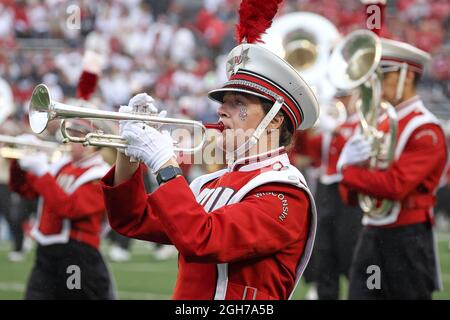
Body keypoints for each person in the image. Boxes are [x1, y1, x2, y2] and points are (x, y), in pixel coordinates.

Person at [101, 31, 321, 299]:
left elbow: (204, 240)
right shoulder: (209, 183)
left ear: (274, 120)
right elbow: (132, 219)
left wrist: (164, 163)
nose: (221, 110)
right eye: (223, 102)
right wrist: (129, 150)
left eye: (237, 102)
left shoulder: (285, 193)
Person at [337, 38, 447, 299]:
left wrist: (348, 171)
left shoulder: (425, 128)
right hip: (372, 232)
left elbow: (395, 187)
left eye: (382, 76)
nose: (373, 84)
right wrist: (350, 167)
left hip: (406, 237)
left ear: (406, 77)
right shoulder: (380, 123)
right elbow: (351, 196)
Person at [9, 122, 115, 300]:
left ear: (92, 142)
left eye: (75, 135)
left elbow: (69, 208)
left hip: (77, 256)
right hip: (46, 253)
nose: (68, 139)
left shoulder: (101, 175)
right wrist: (19, 161)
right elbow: (24, 189)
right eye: (69, 133)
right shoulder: (63, 166)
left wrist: (42, 172)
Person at [307, 91, 362, 299]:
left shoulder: (359, 124)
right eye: (338, 97)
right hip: (325, 188)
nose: (340, 102)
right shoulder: (327, 127)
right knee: (323, 248)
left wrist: (334, 128)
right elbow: (308, 151)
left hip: (348, 189)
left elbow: (354, 144)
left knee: (349, 246)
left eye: (345, 97)